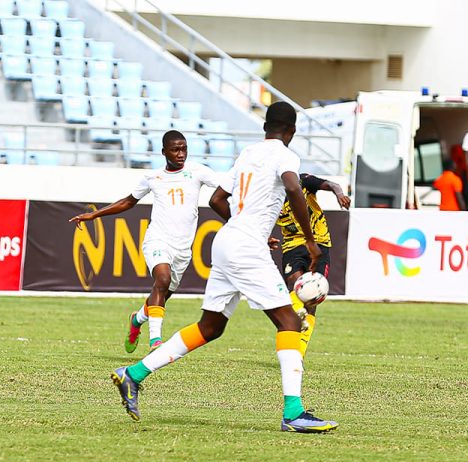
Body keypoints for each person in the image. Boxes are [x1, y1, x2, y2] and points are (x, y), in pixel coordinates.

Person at [110, 101, 338, 433]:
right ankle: (293, 413)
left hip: (226, 241)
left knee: (211, 327)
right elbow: (293, 187)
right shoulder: (285, 156)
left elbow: (217, 199)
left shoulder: (247, 154)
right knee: (290, 321)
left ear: (265, 127)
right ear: (292, 130)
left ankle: (133, 374)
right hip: (247, 247)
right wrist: (311, 241)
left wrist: (244, 225)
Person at [69, 130, 225, 352]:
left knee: (161, 294)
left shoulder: (198, 171)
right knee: (162, 279)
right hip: (157, 240)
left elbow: (225, 189)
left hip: (183, 249)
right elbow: (128, 202)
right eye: (175, 150)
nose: (181, 154)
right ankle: (156, 341)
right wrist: (94, 215)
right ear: (164, 152)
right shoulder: (153, 178)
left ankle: (137, 320)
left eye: (184, 149)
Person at [271, 169, 352, 356]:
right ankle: (297, 314)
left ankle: (299, 352)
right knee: (295, 284)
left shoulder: (302, 181)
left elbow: (332, 184)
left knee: (312, 296)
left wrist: (340, 194)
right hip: (292, 245)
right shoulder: (268, 194)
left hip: (319, 242)